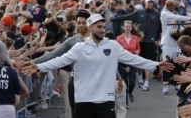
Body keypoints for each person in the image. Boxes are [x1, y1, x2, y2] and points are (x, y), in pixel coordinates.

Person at [21, 14, 174, 118]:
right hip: (83, 101)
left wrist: (156, 65)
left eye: (103, 27)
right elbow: (60, 60)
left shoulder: (113, 46)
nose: (102, 30)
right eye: (99, 27)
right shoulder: (80, 47)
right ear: (90, 28)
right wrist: (39, 66)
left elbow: (133, 59)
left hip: (106, 101)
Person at [111, 0, 162, 91]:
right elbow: (127, 17)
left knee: (149, 60)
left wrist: (158, 38)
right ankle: (140, 78)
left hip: (151, 41)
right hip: (140, 41)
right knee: (139, 61)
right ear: (145, 3)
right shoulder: (139, 13)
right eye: (148, 2)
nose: (150, 4)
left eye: (151, 2)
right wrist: (113, 19)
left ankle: (146, 82)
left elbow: (161, 27)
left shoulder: (157, 15)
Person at [160, 0, 191, 95]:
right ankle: (165, 85)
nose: (173, 8)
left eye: (174, 7)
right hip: (166, 43)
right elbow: (178, 17)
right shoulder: (165, 14)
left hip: (175, 44)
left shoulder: (173, 18)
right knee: (167, 63)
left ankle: (177, 82)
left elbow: (179, 28)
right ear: (167, 6)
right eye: (171, 7)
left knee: (177, 63)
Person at [116, 20, 141, 107]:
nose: (127, 28)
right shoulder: (119, 38)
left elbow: (138, 48)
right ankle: (125, 101)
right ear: (123, 27)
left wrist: (136, 52)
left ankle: (130, 93)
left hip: (132, 61)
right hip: (122, 63)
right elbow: (117, 51)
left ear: (131, 28)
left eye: (129, 27)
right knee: (124, 83)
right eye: (126, 26)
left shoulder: (135, 38)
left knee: (132, 82)